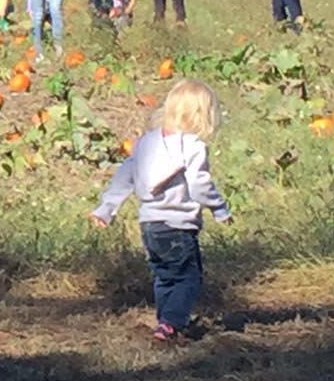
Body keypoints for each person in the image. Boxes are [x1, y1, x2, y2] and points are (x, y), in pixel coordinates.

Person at [91, 79, 232, 343]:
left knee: (165, 276)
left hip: (150, 224)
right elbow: (200, 186)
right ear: (203, 116)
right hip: (178, 225)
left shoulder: (145, 143)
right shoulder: (193, 147)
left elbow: (124, 176)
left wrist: (106, 208)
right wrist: (220, 209)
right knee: (189, 278)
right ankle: (170, 324)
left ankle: (164, 322)